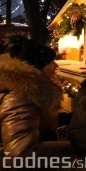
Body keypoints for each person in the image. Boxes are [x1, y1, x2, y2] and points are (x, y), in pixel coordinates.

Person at [0, 32, 73, 166]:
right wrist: (74, 146)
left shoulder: (32, 92)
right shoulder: (20, 99)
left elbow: (38, 121)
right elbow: (21, 154)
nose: (56, 66)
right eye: (51, 62)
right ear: (37, 68)